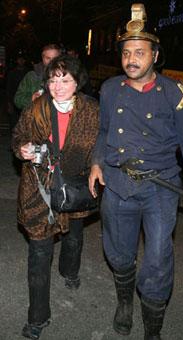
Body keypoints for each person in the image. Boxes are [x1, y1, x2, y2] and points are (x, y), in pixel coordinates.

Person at [89, 3, 183, 340]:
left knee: (158, 262)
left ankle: (153, 329)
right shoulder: (110, 89)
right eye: (126, 52)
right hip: (117, 185)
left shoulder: (176, 95)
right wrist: (97, 163)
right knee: (118, 254)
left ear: (155, 56)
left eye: (139, 52)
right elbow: (103, 131)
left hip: (160, 189)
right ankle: (124, 304)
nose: (131, 59)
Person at [12, 54, 99, 340]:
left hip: (74, 187)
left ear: (78, 83)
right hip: (39, 189)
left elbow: (103, 145)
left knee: (73, 236)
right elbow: (18, 137)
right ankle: (38, 316)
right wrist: (22, 149)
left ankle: (70, 271)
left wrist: (97, 167)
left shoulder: (91, 110)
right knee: (39, 252)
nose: (58, 86)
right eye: (53, 80)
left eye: (65, 80)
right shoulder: (36, 108)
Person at [14, 43, 61, 110]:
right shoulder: (32, 76)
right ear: (43, 58)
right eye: (48, 58)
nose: (51, 62)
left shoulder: (67, 76)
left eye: (55, 58)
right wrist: (31, 99)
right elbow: (17, 99)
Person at [6, 53, 30, 131]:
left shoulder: (28, 72)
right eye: (19, 59)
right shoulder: (12, 73)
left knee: (25, 124)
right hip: (14, 100)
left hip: (25, 101)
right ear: (17, 61)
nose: (21, 61)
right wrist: (9, 103)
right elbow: (8, 88)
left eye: (22, 60)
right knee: (14, 124)